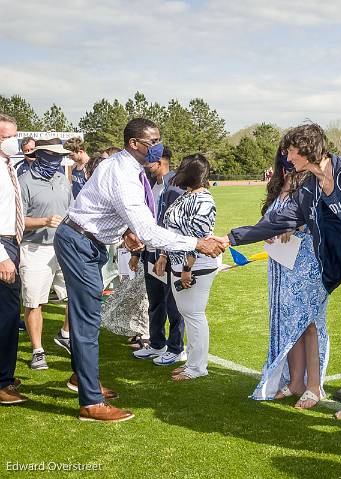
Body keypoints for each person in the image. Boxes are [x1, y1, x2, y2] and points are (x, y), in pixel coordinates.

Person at [53, 118, 225, 422]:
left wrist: (124, 232)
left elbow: (105, 207)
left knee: (88, 318)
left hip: (87, 239)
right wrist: (197, 244)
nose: (157, 147)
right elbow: (148, 231)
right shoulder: (124, 174)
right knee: (87, 318)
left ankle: (83, 379)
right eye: (152, 141)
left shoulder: (123, 165)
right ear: (134, 143)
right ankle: (90, 403)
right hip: (80, 242)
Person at [221, 123, 341, 419]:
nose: (286, 156)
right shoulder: (308, 188)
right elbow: (281, 220)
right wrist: (230, 238)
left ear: (307, 149)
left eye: (291, 150)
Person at [251, 140, 329, 408]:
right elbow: (267, 223)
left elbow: (319, 218)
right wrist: (269, 232)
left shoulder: (311, 184)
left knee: (309, 323)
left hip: (307, 264)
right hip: (281, 266)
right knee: (289, 323)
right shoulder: (278, 186)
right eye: (285, 152)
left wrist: (296, 227)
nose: (288, 157)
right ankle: (295, 381)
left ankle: (314, 386)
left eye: (292, 152)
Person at [162, 154, 220, 381]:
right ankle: (192, 362)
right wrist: (165, 256)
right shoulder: (186, 195)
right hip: (179, 261)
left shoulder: (204, 200)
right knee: (188, 313)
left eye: (183, 168)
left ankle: (197, 367)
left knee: (194, 315)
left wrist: (187, 267)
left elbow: (200, 239)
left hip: (196, 265)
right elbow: (172, 230)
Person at [18, 139, 73, 369]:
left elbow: (70, 210)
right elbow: (17, 220)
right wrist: (45, 221)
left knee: (75, 296)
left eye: (60, 156)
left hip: (62, 246)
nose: (57, 160)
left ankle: (65, 334)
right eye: (53, 155)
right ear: (40, 155)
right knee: (34, 301)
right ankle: (37, 350)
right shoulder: (24, 182)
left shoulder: (62, 179)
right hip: (33, 248)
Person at [133, 145, 187, 365]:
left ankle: (176, 348)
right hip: (150, 252)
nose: (145, 165)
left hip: (169, 254)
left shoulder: (176, 186)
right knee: (155, 302)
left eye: (149, 161)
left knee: (173, 304)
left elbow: (175, 225)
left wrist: (165, 252)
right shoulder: (150, 185)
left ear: (161, 161)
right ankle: (156, 344)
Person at [0, 114, 27, 405]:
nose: (12, 141)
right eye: (6, 137)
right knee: (6, 316)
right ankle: (2, 382)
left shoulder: (7, 165)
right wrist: (2, 256)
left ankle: (4, 373)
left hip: (10, 240)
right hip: (2, 243)